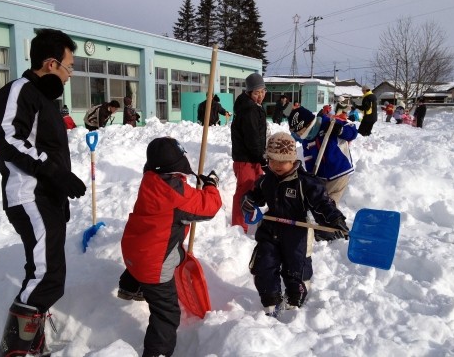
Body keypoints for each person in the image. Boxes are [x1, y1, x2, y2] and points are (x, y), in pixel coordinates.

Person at [0, 28, 87, 357]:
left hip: (46, 198)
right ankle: (15, 351)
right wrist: (52, 171)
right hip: (28, 195)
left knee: (47, 273)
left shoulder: (45, 101)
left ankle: (31, 344)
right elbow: (7, 139)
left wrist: (60, 182)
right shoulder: (22, 91)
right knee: (47, 276)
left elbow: (43, 149)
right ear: (50, 64)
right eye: (68, 67)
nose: (69, 75)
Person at [119, 136, 222, 357]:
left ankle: (129, 286)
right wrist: (211, 187)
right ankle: (157, 352)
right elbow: (208, 207)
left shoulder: (150, 179)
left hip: (134, 249)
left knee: (140, 263)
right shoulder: (176, 194)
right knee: (167, 314)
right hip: (154, 265)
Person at [241, 132, 349, 317]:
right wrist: (250, 201)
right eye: (272, 160)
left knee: (296, 270)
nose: (275, 165)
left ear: (292, 159)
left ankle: (294, 298)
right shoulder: (267, 179)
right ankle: (270, 300)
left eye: (281, 161)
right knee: (263, 264)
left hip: (297, 233)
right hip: (271, 229)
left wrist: (334, 220)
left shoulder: (305, 183)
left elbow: (323, 204)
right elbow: (257, 196)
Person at [288, 106, 358, 205]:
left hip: (339, 170)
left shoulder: (329, 123)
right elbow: (309, 159)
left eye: (299, 131)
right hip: (321, 176)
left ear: (307, 124)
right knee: (318, 200)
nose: (299, 135)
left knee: (329, 204)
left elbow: (353, 132)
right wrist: (311, 176)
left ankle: (332, 218)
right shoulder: (307, 139)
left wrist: (340, 130)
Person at [230, 72, 268, 232]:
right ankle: (239, 227)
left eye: (262, 92)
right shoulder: (249, 110)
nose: (260, 96)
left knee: (252, 190)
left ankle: (247, 220)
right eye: (256, 92)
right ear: (249, 92)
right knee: (244, 192)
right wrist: (261, 158)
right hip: (247, 159)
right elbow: (252, 138)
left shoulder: (252, 107)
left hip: (252, 158)